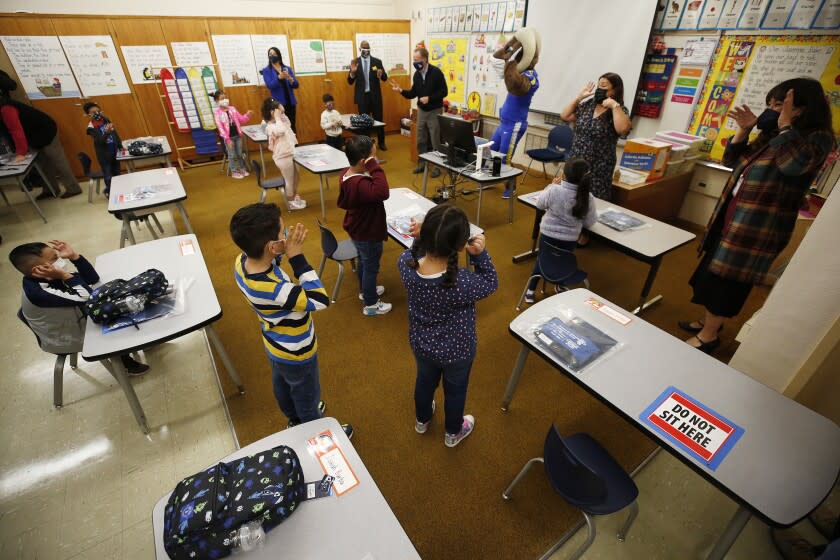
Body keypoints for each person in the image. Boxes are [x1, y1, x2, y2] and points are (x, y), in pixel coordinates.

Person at [680, 78, 835, 354]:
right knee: (711, 273)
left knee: (728, 281)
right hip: (733, 214)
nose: (772, 109)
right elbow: (733, 161)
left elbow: (793, 165)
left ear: (800, 109)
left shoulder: (817, 138)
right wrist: (744, 130)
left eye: (780, 104)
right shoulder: (773, 134)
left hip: (758, 226)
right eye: (770, 104)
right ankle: (708, 322)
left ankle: (709, 336)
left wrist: (784, 126)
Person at [229, 202, 353, 438]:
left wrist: (279, 250)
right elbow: (319, 299)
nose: (287, 236)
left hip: (274, 344)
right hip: (298, 351)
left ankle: (294, 420)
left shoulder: (242, 262)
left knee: (283, 388)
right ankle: (317, 435)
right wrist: (297, 257)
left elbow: (272, 262)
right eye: (283, 233)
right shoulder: (275, 289)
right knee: (308, 399)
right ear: (272, 246)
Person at [398, 205, 498, 447]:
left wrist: (423, 238)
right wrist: (479, 255)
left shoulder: (405, 264)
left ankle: (422, 420)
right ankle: (453, 432)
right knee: (455, 391)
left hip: (421, 344)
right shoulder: (462, 283)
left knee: (424, 381)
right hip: (458, 351)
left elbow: (413, 252)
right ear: (461, 246)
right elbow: (491, 282)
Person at [10, 240, 148, 375]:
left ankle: (138, 342)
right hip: (63, 338)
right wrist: (65, 275)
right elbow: (86, 297)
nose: (60, 260)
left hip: (72, 318)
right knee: (111, 317)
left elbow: (92, 279)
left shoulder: (49, 275)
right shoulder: (39, 292)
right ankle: (125, 363)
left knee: (117, 302)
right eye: (55, 258)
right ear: (38, 269)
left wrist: (74, 257)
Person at [524, 158, 596, 303]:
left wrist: (550, 186)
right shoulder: (588, 197)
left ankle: (530, 291)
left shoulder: (554, 190)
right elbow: (589, 222)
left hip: (547, 235)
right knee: (562, 261)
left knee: (542, 260)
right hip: (569, 240)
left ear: (563, 175)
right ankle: (560, 285)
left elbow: (540, 204)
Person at [0, 71, 82, 199]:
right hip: (32, 134)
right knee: (42, 163)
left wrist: (21, 153)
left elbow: (16, 131)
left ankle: (73, 188)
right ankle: (50, 190)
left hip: (44, 129)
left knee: (57, 159)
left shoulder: (6, 108)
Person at [337, 135, 392, 316]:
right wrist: (374, 167)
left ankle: (365, 291)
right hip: (368, 233)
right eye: (373, 158)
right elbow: (383, 192)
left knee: (364, 262)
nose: (375, 161)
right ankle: (371, 304)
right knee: (370, 267)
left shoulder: (347, 174)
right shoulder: (359, 184)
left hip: (358, 230)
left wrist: (369, 165)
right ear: (364, 161)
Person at [560, 74, 631, 203]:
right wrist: (579, 97)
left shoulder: (620, 110)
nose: (599, 89)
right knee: (569, 198)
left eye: (604, 86)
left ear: (615, 90)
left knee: (593, 202)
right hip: (576, 161)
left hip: (599, 166)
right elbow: (565, 116)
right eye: (598, 86)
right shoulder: (588, 105)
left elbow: (622, 129)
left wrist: (614, 106)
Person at [488, 27, 541, 199]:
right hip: (504, 121)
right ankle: (491, 179)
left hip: (516, 124)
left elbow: (516, 86)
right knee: (491, 151)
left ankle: (510, 187)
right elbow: (495, 60)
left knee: (505, 157)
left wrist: (511, 64)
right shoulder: (515, 69)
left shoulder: (531, 76)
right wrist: (511, 45)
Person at [389, 47, 448, 178]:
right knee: (420, 139)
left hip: (434, 111)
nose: (415, 62)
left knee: (435, 140)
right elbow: (412, 93)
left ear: (425, 59)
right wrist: (400, 90)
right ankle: (423, 164)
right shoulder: (417, 75)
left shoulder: (436, 72)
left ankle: (437, 167)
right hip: (422, 111)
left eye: (417, 60)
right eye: (413, 60)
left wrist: (430, 98)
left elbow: (444, 92)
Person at [262, 98, 305, 210]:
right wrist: (277, 116)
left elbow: (288, 124)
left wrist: (282, 112)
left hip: (291, 154)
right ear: (273, 113)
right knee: (289, 179)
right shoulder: (270, 126)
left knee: (296, 176)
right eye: (280, 112)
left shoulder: (279, 121)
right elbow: (280, 130)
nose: (282, 114)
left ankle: (294, 196)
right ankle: (290, 201)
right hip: (283, 157)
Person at [347, 40, 388, 151]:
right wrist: (353, 73)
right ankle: (367, 144)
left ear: (370, 49)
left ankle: (382, 142)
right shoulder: (355, 62)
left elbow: (385, 78)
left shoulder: (377, 61)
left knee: (379, 119)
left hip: (375, 96)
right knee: (364, 122)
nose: (366, 51)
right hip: (362, 97)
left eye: (367, 49)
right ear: (360, 49)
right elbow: (349, 81)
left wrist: (381, 74)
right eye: (364, 49)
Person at [83, 101, 121, 196]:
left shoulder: (105, 120)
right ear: (88, 115)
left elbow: (115, 134)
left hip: (114, 152)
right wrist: (107, 132)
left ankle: (118, 190)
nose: (97, 114)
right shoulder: (91, 128)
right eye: (93, 112)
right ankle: (111, 192)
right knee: (108, 176)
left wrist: (120, 146)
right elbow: (100, 141)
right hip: (104, 155)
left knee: (117, 173)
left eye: (98, 111)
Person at [212, 90, 252, 180]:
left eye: (225, 97)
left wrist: (247, 115)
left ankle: (242, 169)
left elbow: (241, 119)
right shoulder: (217, 113)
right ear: (217, 101)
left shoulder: (232, 109)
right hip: (228, 138)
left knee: (239, 153)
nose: (225, 100)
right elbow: (220, 128)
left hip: (237, 136)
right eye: (222, 98)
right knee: (232, 155)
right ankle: (234, 171)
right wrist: (227, 139)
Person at [261, 48, 299, 132]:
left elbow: (296, 85)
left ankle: (293, 145)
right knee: (282, 126)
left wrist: (291, 79)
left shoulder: (287, 68)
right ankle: (284, 145)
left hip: (290, 102)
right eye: (270, 54)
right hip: (278, 104)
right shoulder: (267, 70)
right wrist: (278, 78)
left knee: (292, 125)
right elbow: (270, 85)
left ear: (278, 55)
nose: (272, 56)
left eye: (274, 54)